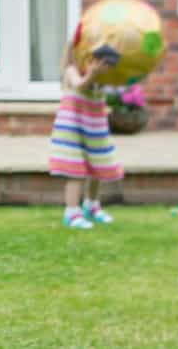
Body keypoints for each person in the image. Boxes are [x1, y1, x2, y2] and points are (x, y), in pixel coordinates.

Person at [49, 42, 121, 230]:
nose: (105, 67)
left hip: (94, 128)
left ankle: (92, 206)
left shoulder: (101, 80)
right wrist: (91, 74)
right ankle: (71, 213)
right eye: (102, 63)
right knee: (75, 171)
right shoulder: (71, 71)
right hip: (72, 128)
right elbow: (80, 86)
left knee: (97, 169)